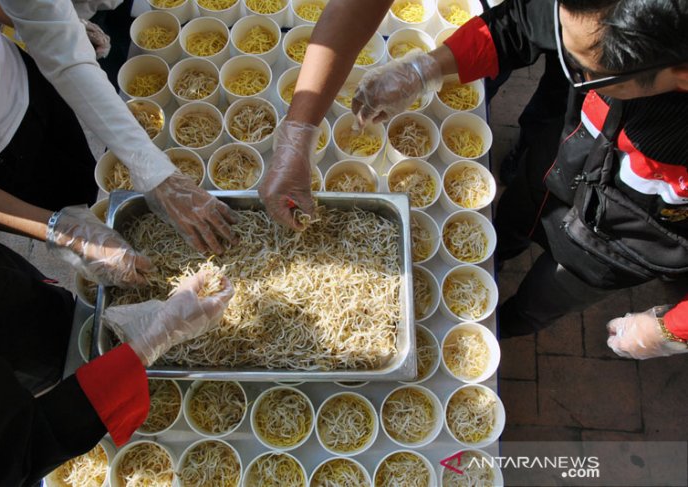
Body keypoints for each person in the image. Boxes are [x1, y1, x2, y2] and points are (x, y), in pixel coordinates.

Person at [259, 0, 688, 360]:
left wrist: (671, 330)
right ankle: (506, 253)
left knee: (553, 290)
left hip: (625, 239)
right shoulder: (606, 23)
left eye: (587, 72)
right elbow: (524, 22)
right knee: (519, 213)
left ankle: (514, 323)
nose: (576, 75)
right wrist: (426, 68)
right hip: (571, 156)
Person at [0, 0, 237, 256]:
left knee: (82, 177)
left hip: (16, 75)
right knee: (65, 206)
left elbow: (57, 46)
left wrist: (49, 25)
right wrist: (58, 229)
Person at [0, 268, 233, 486]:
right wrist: (157, 336)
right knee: (42, 372)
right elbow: (15, 451)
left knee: (41, 315)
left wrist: (56, 227)